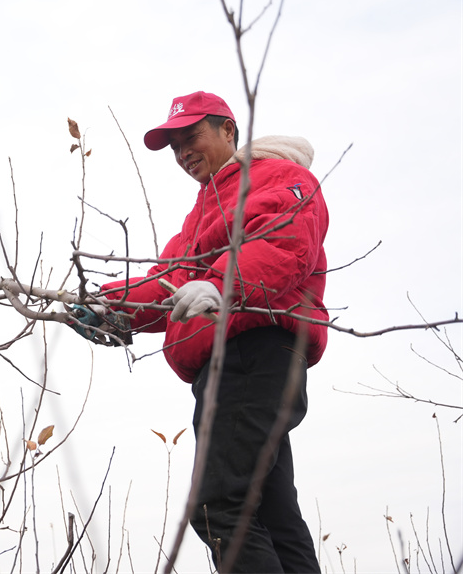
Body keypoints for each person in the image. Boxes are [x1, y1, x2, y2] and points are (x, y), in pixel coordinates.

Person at [71, 91, 327, 573]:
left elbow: (284, 245)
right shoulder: (205, 209)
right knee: (270, 514)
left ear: (228, 130)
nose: (183, 153)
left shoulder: (280, 177)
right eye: (174, 148)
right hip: (227, 365)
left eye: (191, 138)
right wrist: (106, 305)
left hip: (255, 354)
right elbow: (168, 282)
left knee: (218, 507)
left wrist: (222, 287)